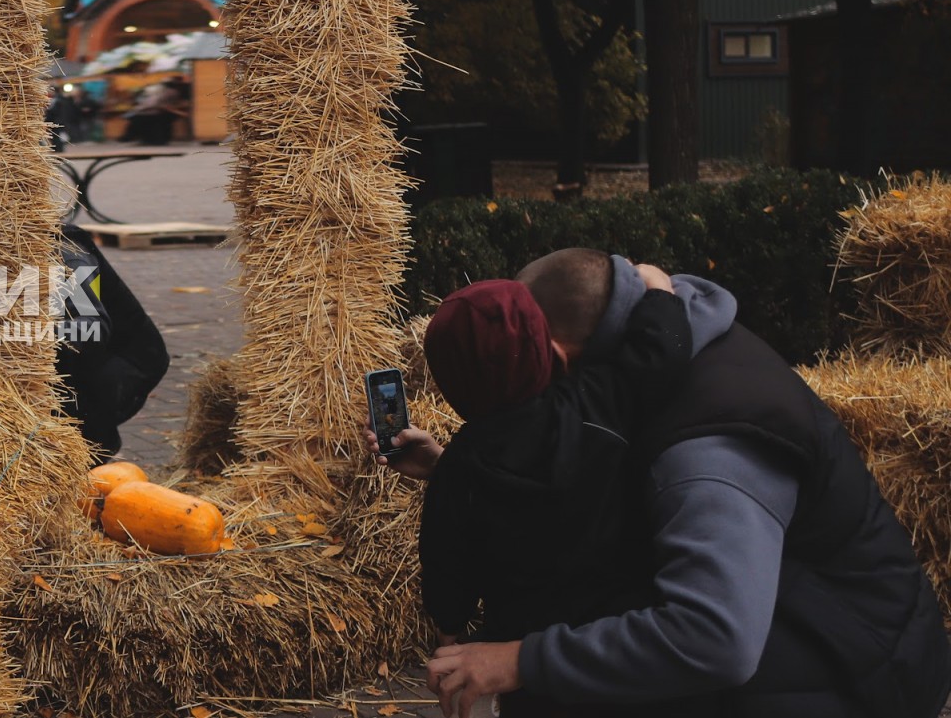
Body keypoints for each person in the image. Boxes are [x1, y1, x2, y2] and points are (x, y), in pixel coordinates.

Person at [406, 249, 951, 718]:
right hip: (805, 623)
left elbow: (719, 640)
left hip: (862, 675)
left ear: (556, 357)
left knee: (561, 670)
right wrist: (657, 289)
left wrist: (519, 660)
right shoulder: (626, 382)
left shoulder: (706, 453)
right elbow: (592, 439)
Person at [411, 273, 697, 716]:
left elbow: (445, 565)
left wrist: (449, 628)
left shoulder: (458, 468)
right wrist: (657, 287)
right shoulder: (599, 402)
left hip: (527, 670)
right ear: (548, 348)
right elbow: (665, 350)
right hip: (614, 649)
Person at [56, 224, 170, 458]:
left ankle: (95, 449)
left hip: (120, 360)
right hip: (71, 362)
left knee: (81, 438)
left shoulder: (68, 251)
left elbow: (91, 328)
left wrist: (20, 336)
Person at [120, 75, 190, 145]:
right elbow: (161, 105)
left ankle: (146, 140)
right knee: (158, 124)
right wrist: (178, 112)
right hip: (151, 111)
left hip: (146, 111)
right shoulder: (172, 92)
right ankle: (155, 140)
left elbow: (159, 103)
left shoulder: (165, 91)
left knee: (149, 125)